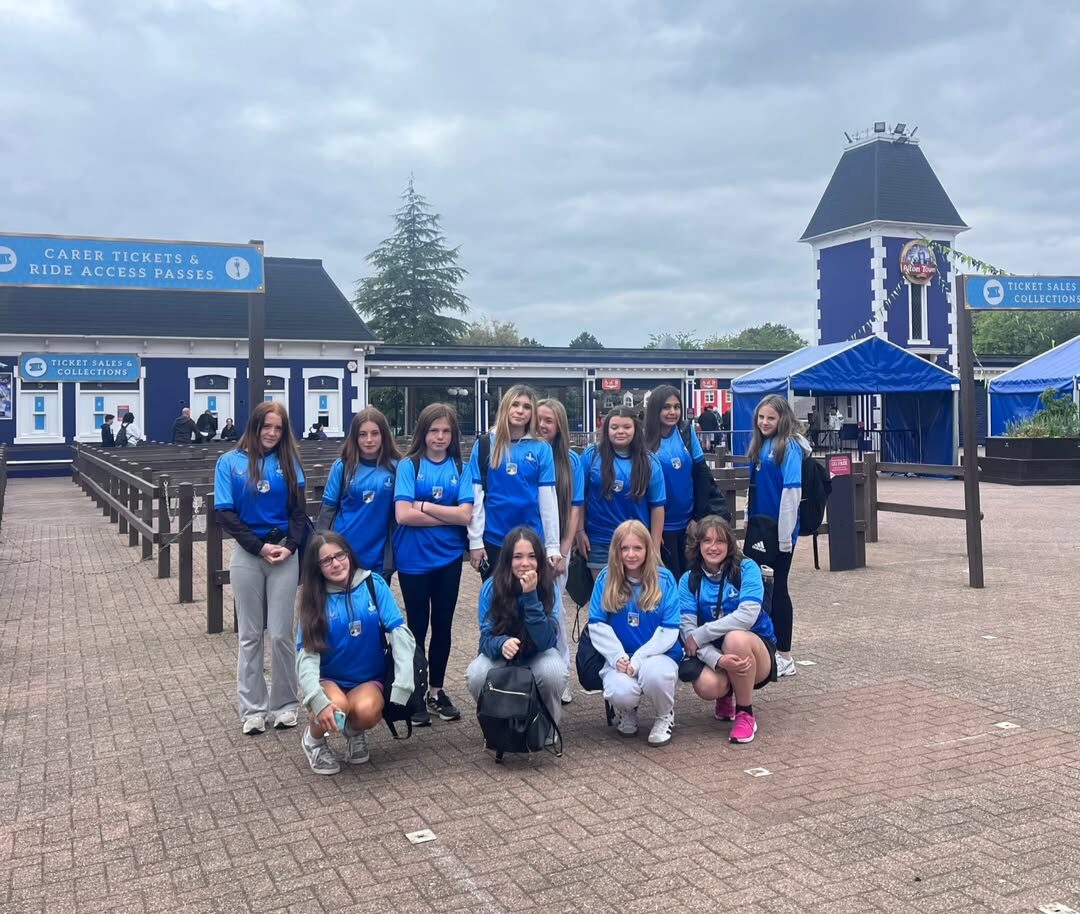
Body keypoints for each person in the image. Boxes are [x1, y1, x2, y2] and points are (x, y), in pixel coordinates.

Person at [213, 401, 307, 735]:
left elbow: (298, 512)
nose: (271, 433)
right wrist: (258, 546)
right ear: (254, 426)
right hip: (249, 554)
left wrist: (289, 546)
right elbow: (224, 512)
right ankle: (253, 708)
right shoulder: (229, 462)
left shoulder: (289, 461)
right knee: (250, 635)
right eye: (266, 426)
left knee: (281, 633)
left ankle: (285, 704)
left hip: (284, 552)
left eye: (278, 428)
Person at [294, 532, 417, 775]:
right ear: (317, 567)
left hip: (367, 678)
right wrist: (316, 699)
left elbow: (399, 631)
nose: (336, 563)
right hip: (328, 679)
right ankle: (314, 741)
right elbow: (306, 655)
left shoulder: (373, 584)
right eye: (327, 560)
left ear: (349, 554)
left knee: (368, 711)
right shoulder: (313, 597)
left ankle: (354, 732)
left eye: (340, 555)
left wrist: (404, 681)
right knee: (335, 706)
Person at [394, 403, 474, 726]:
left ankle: (436, 691)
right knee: (416, 627)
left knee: (442, 626)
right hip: (413, 561)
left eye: (445, 431)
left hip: (449, 559)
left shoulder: (460, 467)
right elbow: (403, 515)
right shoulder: (409, 466)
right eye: (433, 431)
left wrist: (425, 505)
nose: (439, 437)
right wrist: (447, 514)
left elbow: (466, 516)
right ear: (423, 433)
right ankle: (415, 693)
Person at [679, 516, 776, 744]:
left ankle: (745, 713)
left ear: (730, 544)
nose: (713, 547)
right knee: (707, 685)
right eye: (707, 541)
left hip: (755, 650)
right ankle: (724, 694)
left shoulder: (747, 568)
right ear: (698, 545)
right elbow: (687, 634)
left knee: (735, 639)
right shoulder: (688, 580)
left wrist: (702, 634)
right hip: (714, 652)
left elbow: (747, 616)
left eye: (720, 541)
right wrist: (717, 660)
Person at [586, 519, 682, 747]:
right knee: (621, 691)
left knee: (655, 676)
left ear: (648, 549)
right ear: (616, 551)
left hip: (658, 656)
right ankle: (626, 711)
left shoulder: (665, 579)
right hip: (621, 657)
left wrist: (639, 659)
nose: (631, 554)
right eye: (624, 548)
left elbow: (669, 630)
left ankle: (664, 715)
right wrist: (617, 656)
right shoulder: (605, 578)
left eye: (637, 548)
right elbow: (597, 624)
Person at [465, 526, 568, 726]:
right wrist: (501, 644)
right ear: (507, 560)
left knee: (554, 672)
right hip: (502, 655)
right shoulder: (491, 587)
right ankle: (496, 724)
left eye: (531, 556)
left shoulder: (549, 586)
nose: (525, 563)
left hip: (538, 652)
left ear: (539, 560)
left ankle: (547, 726)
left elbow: (547, 640)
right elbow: (485, 637)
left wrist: (530, 596)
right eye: (517, 557)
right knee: (476, 674)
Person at [468, 385, 561, 580]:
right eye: (515, 405)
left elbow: (548, 499)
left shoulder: (541, 447)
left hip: (531, 540)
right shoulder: (485, 444)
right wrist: (475, 541)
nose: (520, 411)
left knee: (529, 601)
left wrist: (553, 546)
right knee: (497, 603)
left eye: (527, 407)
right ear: (505, 408)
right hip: (494, 538)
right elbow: (476, 496)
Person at [747, 394, 810, 678]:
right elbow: (755, 488)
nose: (765, 422)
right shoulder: (760, 445)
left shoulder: (790, 447)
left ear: (782, 419)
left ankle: (785, 654)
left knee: (779, 588)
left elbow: (791, 493)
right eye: (761, 417)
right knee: (761, 587)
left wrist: (786, 538)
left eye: (771, 418)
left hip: (780, 532)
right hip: (760, 527)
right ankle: (766, 645)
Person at [577, 407, 665, 578]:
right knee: (606, 597)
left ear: (636, 429)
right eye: (615, 427)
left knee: (637, 597)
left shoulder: (649, 461)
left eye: (626, 427)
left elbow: (658, 506)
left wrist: (654, 547)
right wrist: (579, 532)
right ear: (606, 429)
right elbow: (578, 498)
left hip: (637, 541)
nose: (620, 432)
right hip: (600, 540)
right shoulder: (592, 455)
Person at [535, 398, 584, 703]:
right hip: (528, 545)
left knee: (554, 610)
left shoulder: (570, 461)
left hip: (557, 548)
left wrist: (564, 549)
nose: (542, 425)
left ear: (559, 426)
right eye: (538, 419)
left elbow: (576, 506)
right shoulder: (525, 452)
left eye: (549, 421)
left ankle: (560, 673)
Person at [317, 407, 400, 580]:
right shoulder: (342, 467)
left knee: (373, 604)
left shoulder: (396, 467)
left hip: (379, 554)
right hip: (342, 553)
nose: (369, 440)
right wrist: (320, 550)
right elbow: (327, 513)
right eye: (362, 434)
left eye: (375, 433)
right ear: (355, 436)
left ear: (384, 434)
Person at [643, 384, 707, 582]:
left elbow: (701, 475)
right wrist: (652, 531)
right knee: (664, 582)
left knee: (689, 582)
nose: (672, 412)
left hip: (688, 524)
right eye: (666, 407)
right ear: (655, 409)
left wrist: (697, 517)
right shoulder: (643, 438)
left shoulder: (686, 433)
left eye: (676, 407)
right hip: (659, 526)